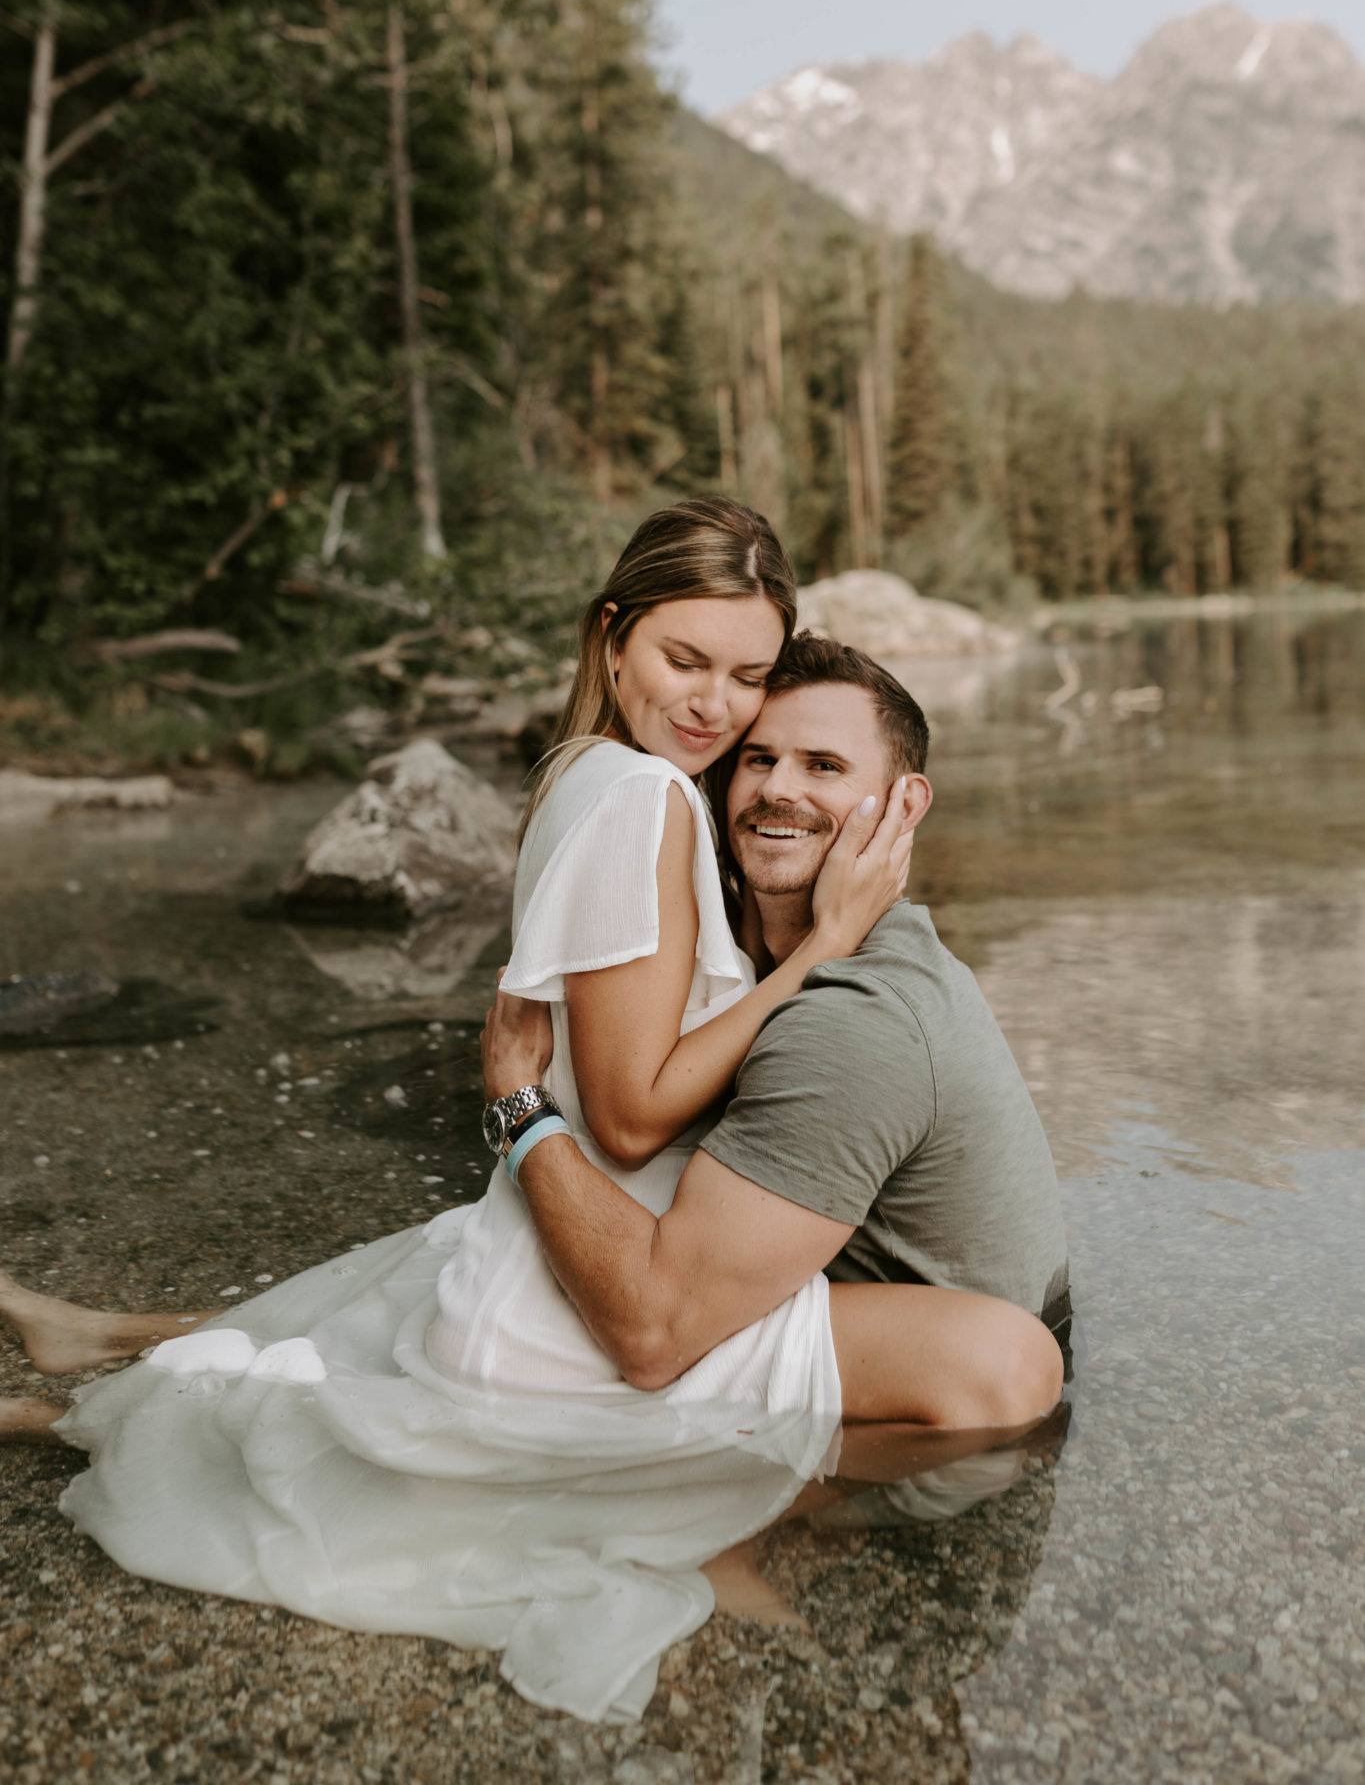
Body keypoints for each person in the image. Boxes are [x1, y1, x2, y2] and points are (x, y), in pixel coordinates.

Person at [0, 496, 975, 1726]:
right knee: (343, 1436)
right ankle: (90, 1398)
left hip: (535, 1250)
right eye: (685, 660)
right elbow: (626, 1119)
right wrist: (813, 955)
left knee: (358, 1346)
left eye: (749, 675)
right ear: (612, 634)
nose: (718, 707)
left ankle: (74, 1378)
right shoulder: (650, 800)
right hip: (586, 1276)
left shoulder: (585, 771)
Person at [481, 631, 1069, 1456]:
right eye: (757, 761)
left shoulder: (856, 1018)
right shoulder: (749, 962)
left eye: (823, 767)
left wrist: (517, 1102)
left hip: (940, 1414)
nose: (777, 790)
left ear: (905, 804)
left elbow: (652, 1332)